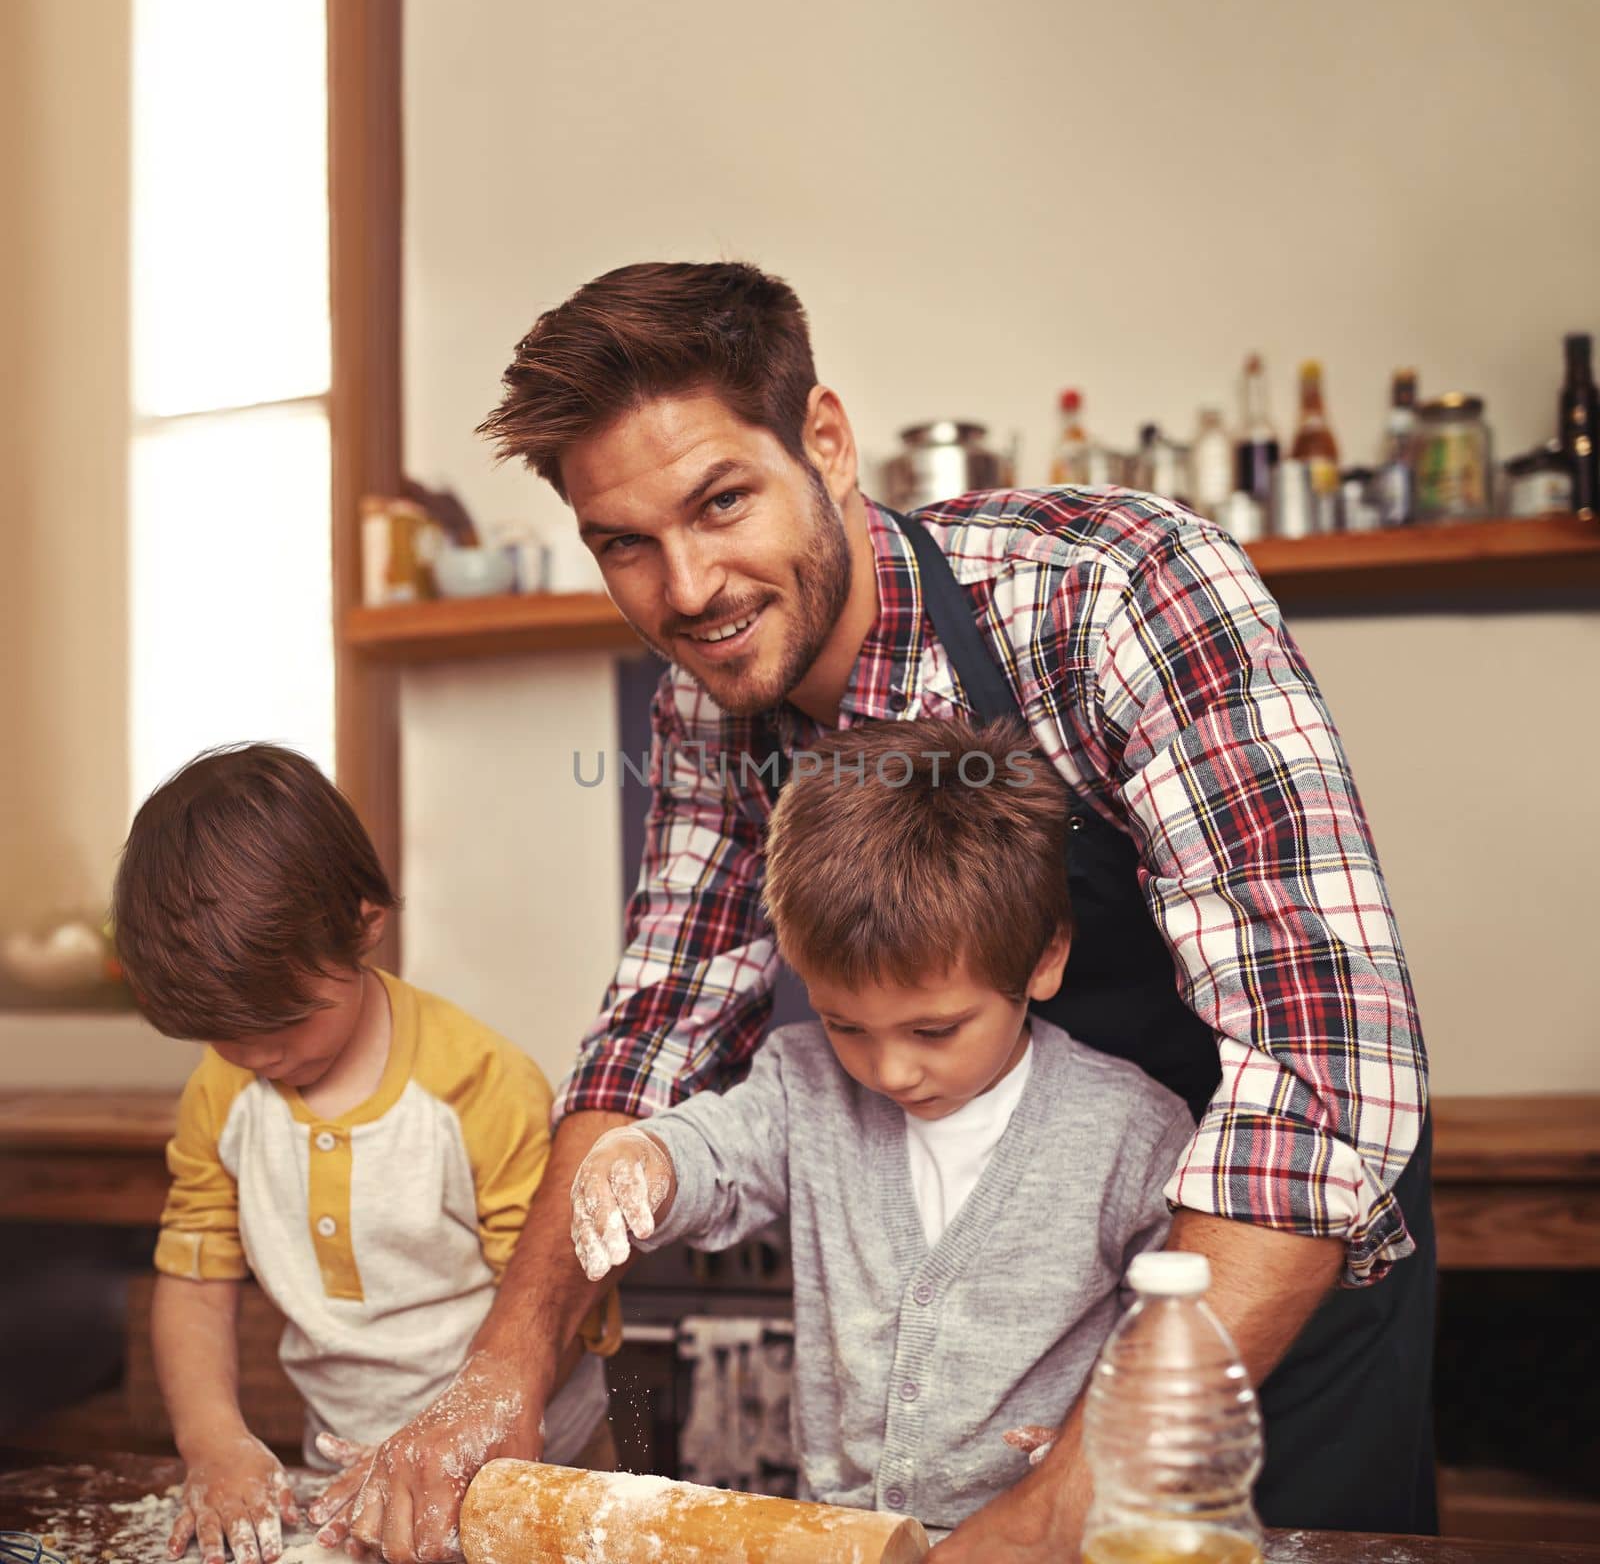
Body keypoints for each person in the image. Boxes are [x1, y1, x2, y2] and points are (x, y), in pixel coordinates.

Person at [343, 261, 1434, 1564]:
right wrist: (505, 1363)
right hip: (985, 1365)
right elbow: (657, 1037)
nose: (686, 589)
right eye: (624, 544)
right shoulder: (718, 704)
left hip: (1248, 1295)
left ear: (828, 441)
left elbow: (1318, 1081)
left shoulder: (1114, 591)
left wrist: (1066, 1503)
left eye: (722, 502)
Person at [569, 715, 1197, 1532]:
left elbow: (1180, 1339)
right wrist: (646, 1157)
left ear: (1043, 959)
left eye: (934, 1031)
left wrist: (1094, 1448)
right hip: (843, 1538)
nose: (891, 1071)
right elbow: (720, 1149)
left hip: (1056, 1538)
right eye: (846, 1025)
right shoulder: (805, 1085)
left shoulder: (1132, 1131)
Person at [112, 744, 620, 1564]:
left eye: (284, 1026)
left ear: (364, 925)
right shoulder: (221, 1093)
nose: (261, 1060)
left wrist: (460, 1443)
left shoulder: (480, 1085)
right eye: (227, 1038)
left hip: (535, 1468)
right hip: (347, 1476)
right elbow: (198, 1285)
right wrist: (213, 1444)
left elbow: (557, 1300)